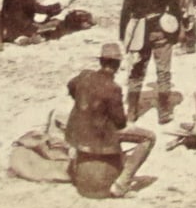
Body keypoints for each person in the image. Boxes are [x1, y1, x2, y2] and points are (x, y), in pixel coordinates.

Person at [64, 43, 156, 199]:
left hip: (78, 132)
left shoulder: (84, 75)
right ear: (118, 65)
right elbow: (120, 122)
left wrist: (83, 106)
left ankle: (77, 164)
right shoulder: (113, 88)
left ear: (101, 61)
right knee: (149, 137)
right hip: (100, 137)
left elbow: (70, 86)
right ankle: (121, 185)